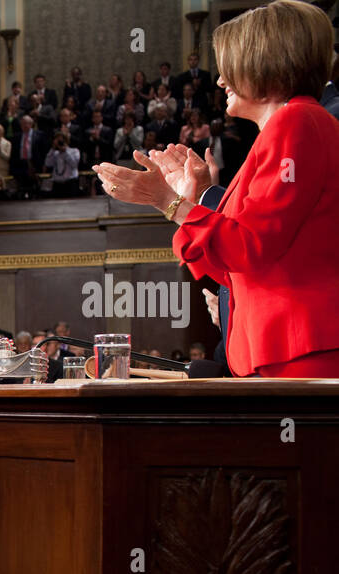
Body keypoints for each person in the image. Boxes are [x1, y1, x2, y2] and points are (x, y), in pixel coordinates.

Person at [94, 0, 339, 377]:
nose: (221, 81)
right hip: (282, 350)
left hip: (297, 351)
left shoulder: (297, 122)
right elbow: (233, 268)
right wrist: (182, 203)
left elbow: (250, 247)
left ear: (264, 64)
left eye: (229, 69)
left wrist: (167, 201)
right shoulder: (291, 126)